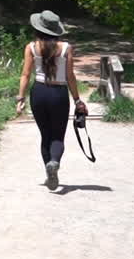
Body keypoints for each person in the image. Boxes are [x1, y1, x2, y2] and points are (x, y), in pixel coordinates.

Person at [15, 10, 86, 190]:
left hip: (38, 93)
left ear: (38, 28)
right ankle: (54, 162)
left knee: (45, 135)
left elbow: (25, 74)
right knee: (58, 136)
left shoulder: (31, 47)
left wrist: (20, 97)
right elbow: (70, 76)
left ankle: (49, 171)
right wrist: (77, 100)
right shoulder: (66, 48)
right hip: (59, 94)